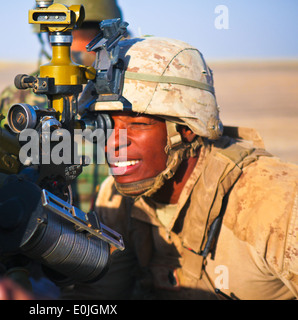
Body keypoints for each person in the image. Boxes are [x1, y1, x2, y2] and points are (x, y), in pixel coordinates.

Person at [62, 36, 298, 300]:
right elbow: (96, 298)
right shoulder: (115, 198)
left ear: (186, 129)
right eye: (105, 125)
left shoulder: (276, 200)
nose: (113, 143)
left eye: (137, 125)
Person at [0, 0, 124, 213]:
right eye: (63, 36)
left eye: (85, 36)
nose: (76, 46)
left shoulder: (129, 88)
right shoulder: (22, 95)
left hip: (119, 227)